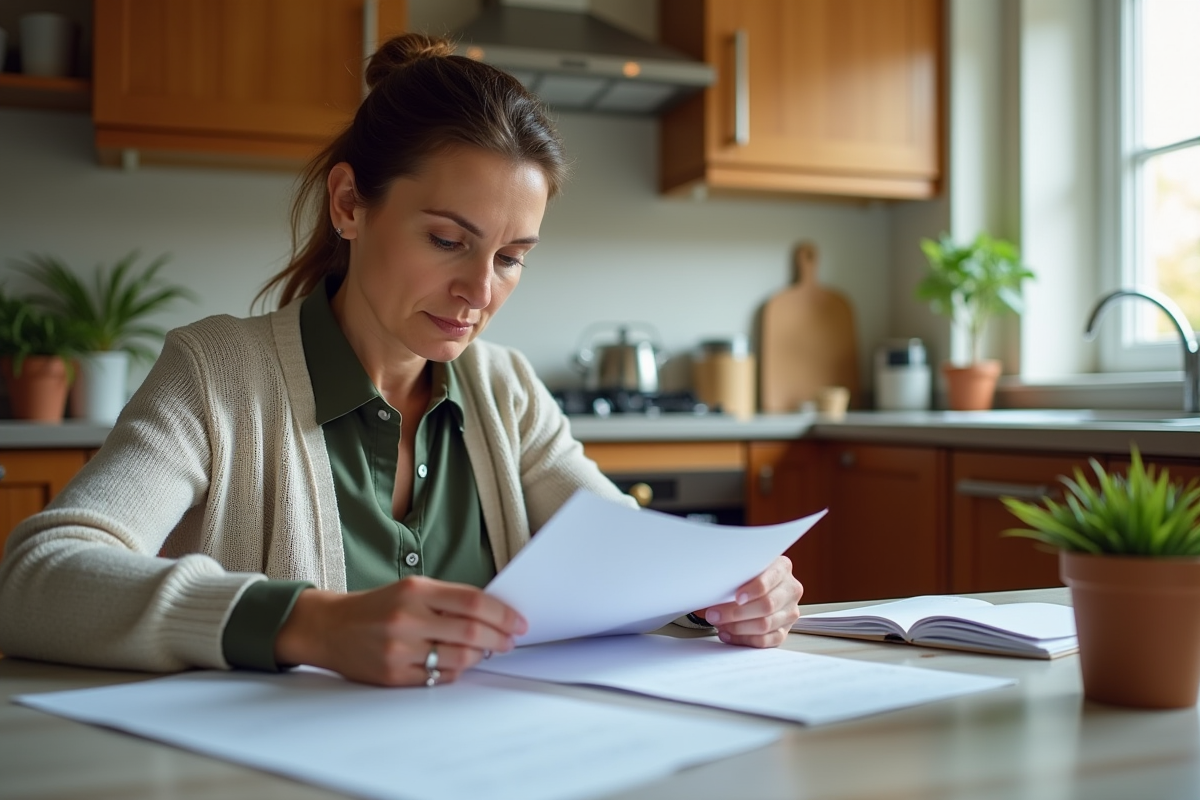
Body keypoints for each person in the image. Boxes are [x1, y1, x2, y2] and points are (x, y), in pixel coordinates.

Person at [0, 34, 803, 687]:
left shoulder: (507, 390)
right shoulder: (217, 375)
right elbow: (37, 580)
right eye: (448, 241)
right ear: (350, 205)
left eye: (512, 257)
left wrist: (717, 593)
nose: (478, 291)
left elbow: (621, 551)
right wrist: (309, 621)